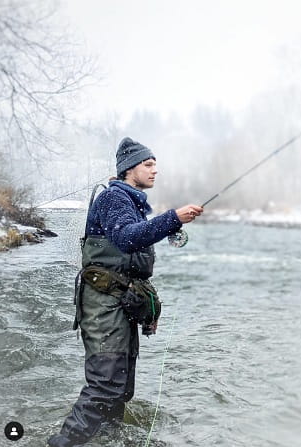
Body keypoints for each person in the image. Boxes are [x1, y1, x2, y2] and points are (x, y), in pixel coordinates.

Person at [48, 137, 203, 447]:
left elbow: (132, 255)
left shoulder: (131, 203)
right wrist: (173, 217)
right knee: (105, 387)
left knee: (120, 389)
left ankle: (106, 440)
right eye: (148, 164)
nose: (155, 170)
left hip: (120, 306)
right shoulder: (114, 199)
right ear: (129, 168)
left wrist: (149, 308)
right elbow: (126, 238)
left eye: (156, 164)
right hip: (103, 307)